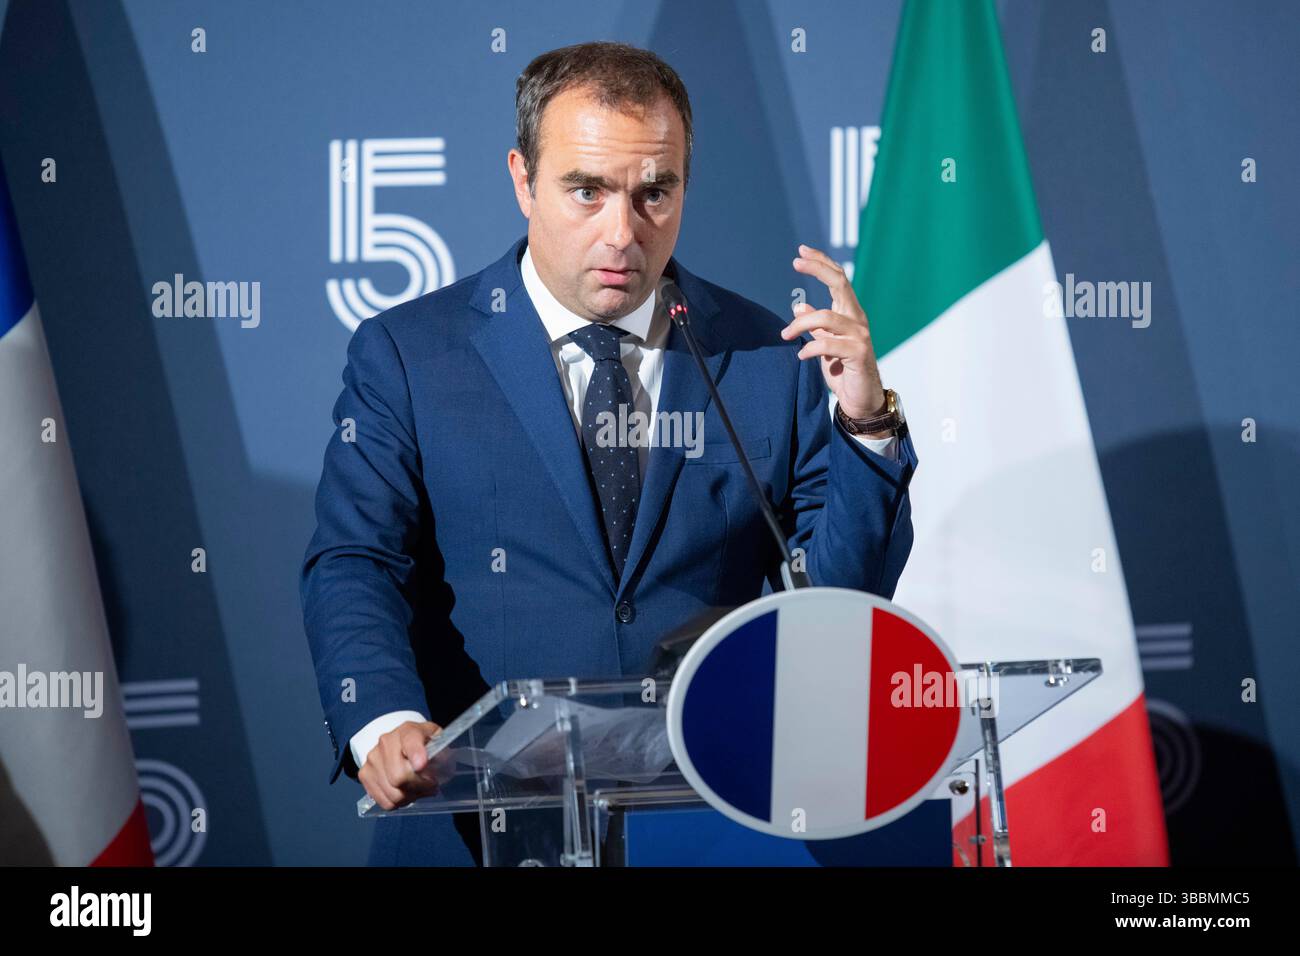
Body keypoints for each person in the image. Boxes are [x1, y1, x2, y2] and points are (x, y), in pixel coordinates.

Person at [300, 40, 915, 866]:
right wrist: (383, 719)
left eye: (653, 193)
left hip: (709, 826)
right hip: (475, 825)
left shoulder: (768, 355)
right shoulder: (411, 354)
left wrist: (866, 420)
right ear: (523, 179)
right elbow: (355, 561)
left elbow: (839, 607)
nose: (622, 233)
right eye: (586, 191)